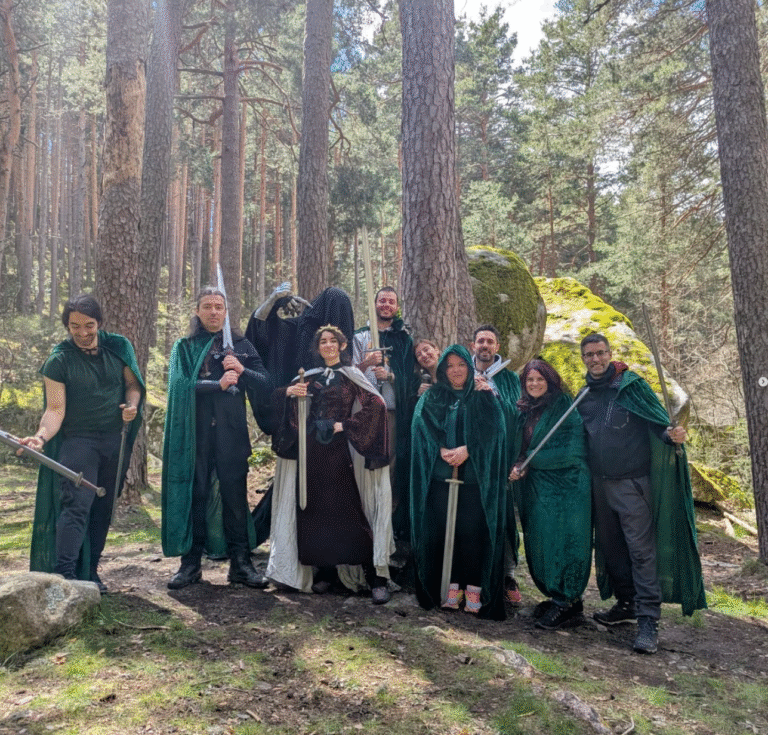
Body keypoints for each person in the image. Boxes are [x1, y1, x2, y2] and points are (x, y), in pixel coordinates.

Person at [577, 333, 706, 654]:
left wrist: (671, 434)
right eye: (589, 355)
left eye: (600, 353)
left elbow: (657, 426)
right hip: (599, 486)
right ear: (583, 359)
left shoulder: (631, 387)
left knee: (640, 551)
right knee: (611, 547)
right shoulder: (584, 396)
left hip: (632, 485)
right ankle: (626, 603)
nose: (595, 359)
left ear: (609, 354)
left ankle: (649, 620)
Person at [22, 295, 145, 594]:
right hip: (78, 441)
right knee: (77, 505)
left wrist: (131, 406)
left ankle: (90, 571)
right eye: (74, 326)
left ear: (99, 323)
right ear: (67, 326)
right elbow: (55, 410)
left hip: (114, 440)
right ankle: (65, 575)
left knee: (103, 506)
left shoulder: (118, 347)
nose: (82, 332)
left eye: (88, 325)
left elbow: (132, 386)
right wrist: (40, 437)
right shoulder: (59, 360)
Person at [267, 325, 393, 603]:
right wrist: (291, 393)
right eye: (322, 341)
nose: (327, 345)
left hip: (339, 451)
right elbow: (281, 405)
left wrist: (343, 425)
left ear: (342, 345)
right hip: (311, 451)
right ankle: (325, 572)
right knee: (314, 510)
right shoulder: (308, 378)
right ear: (318, 347)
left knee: (349, 508)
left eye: (332, 341)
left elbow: (377, 405)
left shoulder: (352, 377)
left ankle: (375, 577)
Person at [162, 287, 271, 590]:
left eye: (218, 307)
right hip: (195, 437)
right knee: (195, 496)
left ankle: (240, 564)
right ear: (197, 311)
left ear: (226, 312)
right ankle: (190, 564)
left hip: (231, 436)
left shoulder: (240, 344)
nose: (213, 312)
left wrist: (242, 369)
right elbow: (179, 386)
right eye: (207, 306)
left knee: (235, 499)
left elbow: (266, 383)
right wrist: (218, 383)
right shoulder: (185, 347)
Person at [410, 345, 507, 619]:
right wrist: (440, 449)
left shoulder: (484, 396)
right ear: (443, 369)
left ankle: (473, 587)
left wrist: (469, 450)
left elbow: (495, 432)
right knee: (442, 532)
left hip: (474, 479)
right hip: (442, 477)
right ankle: (450, 587)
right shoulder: (434, 396)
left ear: (469, 366)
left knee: (471, 533)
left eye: (461, 365)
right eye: (450, 365)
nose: (455, 371)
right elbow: (422, 426)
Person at [509, 359, 592, 630]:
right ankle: (559, 597)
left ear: (550, 381)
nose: (534, 384)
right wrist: (518, 461)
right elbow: (521, 445)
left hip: (566, 488)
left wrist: (530, 461)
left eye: (539, 380)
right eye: (529, 380)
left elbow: (571, 449)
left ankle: (567, 599)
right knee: (542, 541)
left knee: (565, 540)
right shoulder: (525, 409)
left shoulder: (564, 407)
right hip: (537, 488)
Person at [353, 287, 420, 547]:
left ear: (397, 306)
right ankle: (361, 523)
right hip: (363, 412)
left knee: (388, 471)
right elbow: (347, 373)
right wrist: (367, 365)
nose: (386, 305)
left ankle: (386, 526)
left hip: (391, 413)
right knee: (361, 467)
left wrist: (391, 376)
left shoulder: (404, 340)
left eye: (391, 302)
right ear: (374, 303)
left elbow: (412, 378)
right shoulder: (360, 336)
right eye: (382, 300)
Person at [471, 324, 522, 605]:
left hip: (501, 460)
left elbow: (515, 415)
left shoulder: (510, 379)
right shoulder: (463, 373)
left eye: (490, 341)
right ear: (473, 345)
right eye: (481, 341)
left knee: (503, 517)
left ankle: (506, 574)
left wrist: (492, 396)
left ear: (497, 348)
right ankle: (473, 574)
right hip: (470, 461)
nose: (485, 346)